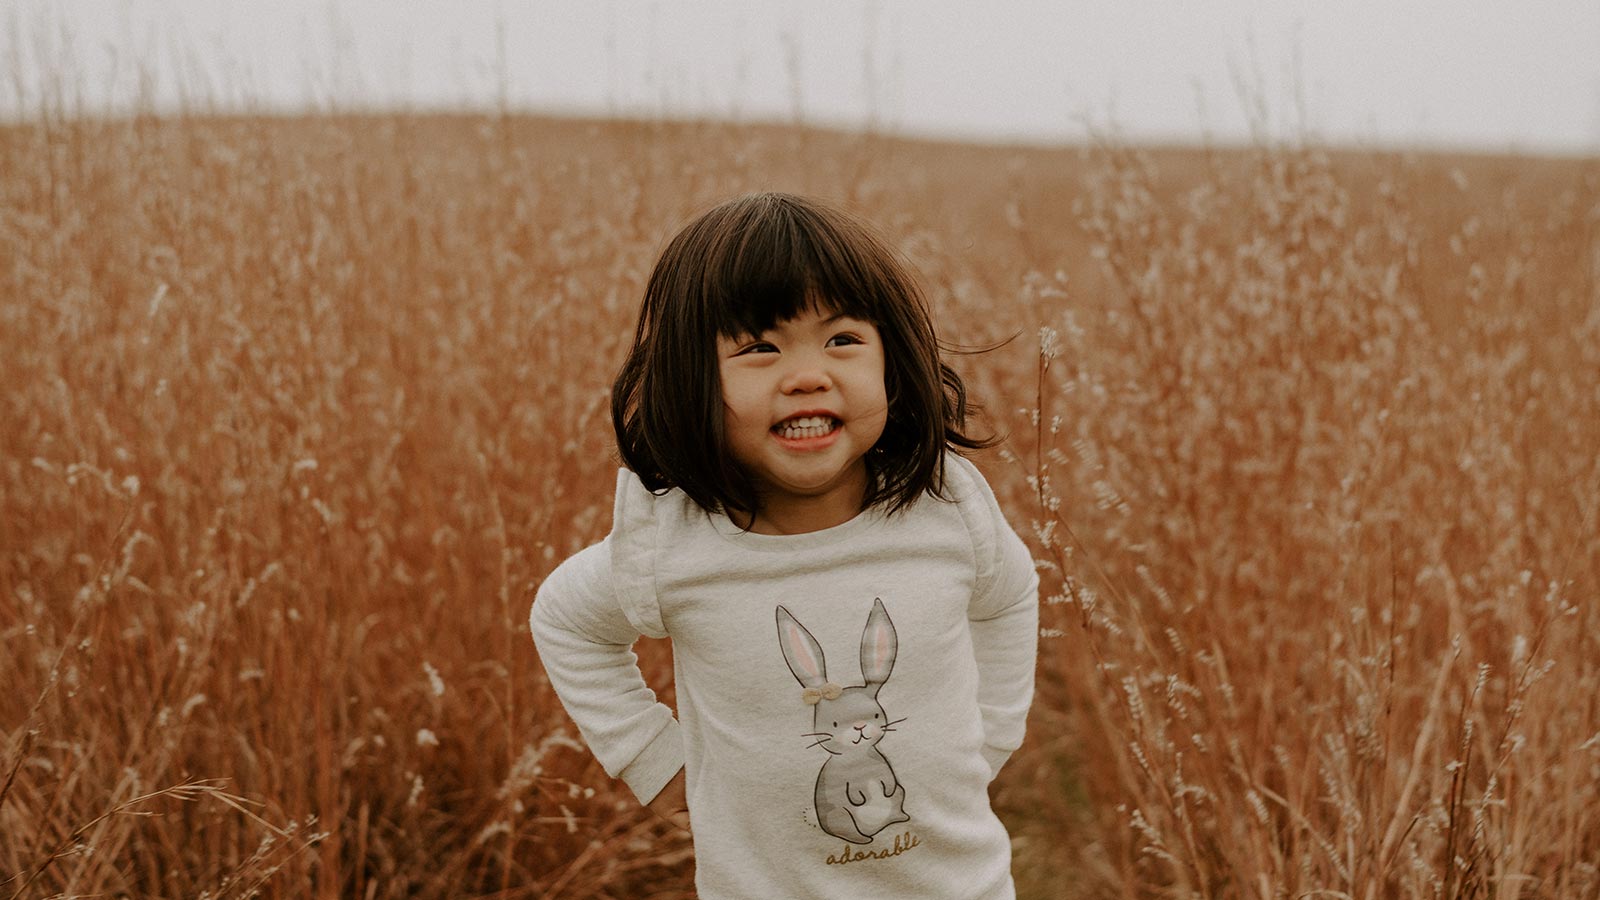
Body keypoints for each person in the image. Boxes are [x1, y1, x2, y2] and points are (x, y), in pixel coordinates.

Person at [530, 192, 1039, 899]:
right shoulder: (676, 542)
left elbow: (1009, 594)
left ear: (893, 361)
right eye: (759, 349)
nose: (806, 374)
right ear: (692, 380)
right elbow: (567, 620)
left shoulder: (944, 507)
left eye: (842, 341)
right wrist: (660, 762)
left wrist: (988, 739)